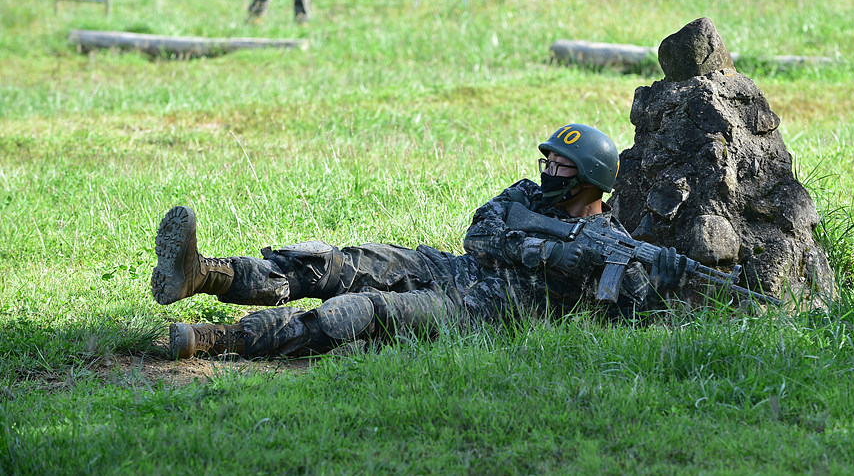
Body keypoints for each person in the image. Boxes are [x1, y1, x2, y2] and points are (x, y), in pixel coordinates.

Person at [151, 124, 687, 360]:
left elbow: (624, 317)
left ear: (589, 179)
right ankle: (204, 273)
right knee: (338, 262)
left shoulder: (613, 245)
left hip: (476, 311)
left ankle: (220, 339)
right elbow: (479, 233)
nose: (547, 170)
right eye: (546, 159)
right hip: (449, 268)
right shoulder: (527, 195)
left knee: (359, 311)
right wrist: (546, 251)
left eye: (560, 165)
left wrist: (653, 281)